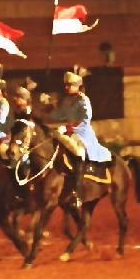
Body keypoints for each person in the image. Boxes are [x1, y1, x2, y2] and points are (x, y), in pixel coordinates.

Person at [48, 67, 112, 203]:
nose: (66, 87)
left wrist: (67, 127)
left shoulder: (84, 100)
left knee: (79, 153)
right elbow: (59, 115)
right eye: (66, 85)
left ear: (78, 85)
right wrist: (49, 107)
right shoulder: (67, 100)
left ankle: (76, 192)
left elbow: (85, 120)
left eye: (69, 85)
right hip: (68, 132)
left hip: (82, 134)